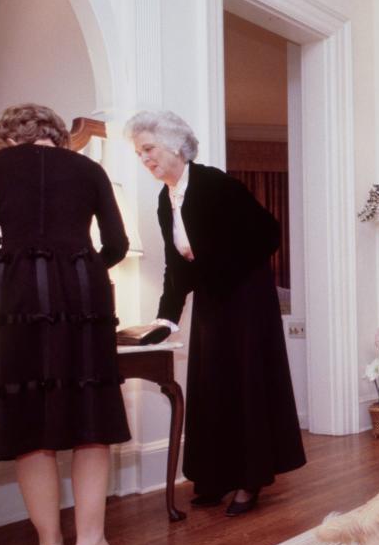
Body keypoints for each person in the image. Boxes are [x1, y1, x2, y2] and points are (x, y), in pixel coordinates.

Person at [0, 103, 137, 545]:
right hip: (84, 287)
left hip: (19, 291)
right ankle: (91, 542)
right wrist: (82, 266)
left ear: (8, 137)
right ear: (56, 135)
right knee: (90, 415)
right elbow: (119, 243)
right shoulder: (88, 167)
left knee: (28, 417)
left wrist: (8, 277)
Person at [124, 110, 306, 516]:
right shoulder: (165, 197)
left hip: (245, 300)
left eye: (149, 149)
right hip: (211, 300)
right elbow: (177, 263)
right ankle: (214, 476)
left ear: (174, 145)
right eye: (140, 154)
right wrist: (166, 318)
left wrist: (217, 267)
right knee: (212, 385)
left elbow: (267, 233)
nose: (146, 159)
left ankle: (249, 480)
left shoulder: (217, 184)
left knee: (244, 385)